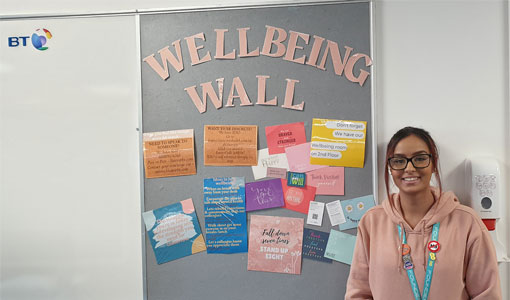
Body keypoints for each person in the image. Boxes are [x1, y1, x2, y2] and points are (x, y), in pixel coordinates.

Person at [345, 126, 501, 300]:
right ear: (390, 167)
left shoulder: (467, 223)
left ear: (433, 164)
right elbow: (358, 293)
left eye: (419, 159)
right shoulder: (372, 222)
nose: (409, 168)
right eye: (399, 160)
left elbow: (487, 295)